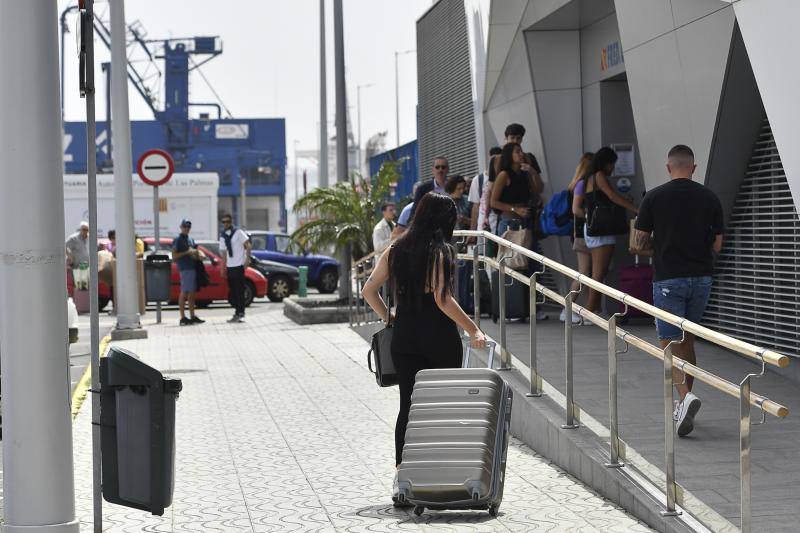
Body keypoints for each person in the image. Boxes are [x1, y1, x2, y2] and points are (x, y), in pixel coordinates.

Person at [361, 192, 487, 505]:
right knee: (443, 407)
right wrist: (473, 329)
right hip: (439, 339)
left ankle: (402, 478)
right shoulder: (440, 251)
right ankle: (439, 473)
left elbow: (368, 290)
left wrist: (389, 316)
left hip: (405, 339)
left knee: (408, 406)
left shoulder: (396, 248)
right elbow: (443, 299)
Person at [633, 145, 723, 437]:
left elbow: (639, 242)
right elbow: (717, 245)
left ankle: (685, 397)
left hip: (669, 279)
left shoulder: (653, 197)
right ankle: (684, 402)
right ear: (693, 168)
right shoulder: (710, 197)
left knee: (668, 343)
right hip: (702, 278)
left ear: (668, 167)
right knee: (687, 340)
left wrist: (661, 246)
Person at [577, 147, 638, 315]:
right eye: (612, 164)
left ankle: (594, 308)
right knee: (599, 273)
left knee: (598, 272)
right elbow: (611, 196)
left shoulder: (589, 177)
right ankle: (589, 311)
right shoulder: (599, 175)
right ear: (606, 163)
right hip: (602, 231)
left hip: (593, 228)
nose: (613, 168)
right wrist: (634, 208)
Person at [563, 152, 594, 324]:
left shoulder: (577, 183)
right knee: (583, 273)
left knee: (586, 274)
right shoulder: (582, 183)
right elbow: (576, 209)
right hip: (582, 234)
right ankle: (567, 309)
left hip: (580, 234)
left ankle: (587, 311)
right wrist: (592, 218)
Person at [219, 213, 252, 323]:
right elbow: (224, 254)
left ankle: (240, 312)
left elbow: (248, 245)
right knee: (232, 292)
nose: (226, 224)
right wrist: (223, 268)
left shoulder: (238, 232)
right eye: (224, 222)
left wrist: (247, 260)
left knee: (239, 291)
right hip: (230, 267)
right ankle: (237, 312)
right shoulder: (223, 236)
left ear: (231, 222)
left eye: (227, 221)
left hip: (238, 266)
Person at [172, 219, 205, 326]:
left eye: (188, 227)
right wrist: (187, 252)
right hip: (185, 268)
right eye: (185, 226)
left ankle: (192, 316)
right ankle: (182, 317)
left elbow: (196, 250)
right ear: (181, 227)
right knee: (184, 292)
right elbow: (174, 256)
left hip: (193, 267)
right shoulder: (178, 240)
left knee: (192, 293)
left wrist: (200, 254)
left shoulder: (190, 239)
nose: (187, 228)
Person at [470, 146, 502, 235]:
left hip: (500, 223)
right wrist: (472, 232)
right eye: (494, 160)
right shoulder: (478, 179)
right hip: (483, 227)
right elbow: (475, 206)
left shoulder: (504, 178)